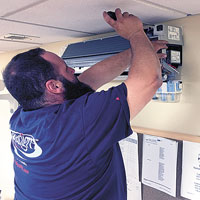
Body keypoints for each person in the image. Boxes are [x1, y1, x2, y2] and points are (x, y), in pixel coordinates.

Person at [3, 8, 167, 200]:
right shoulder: (76, 123)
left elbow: (86, 81)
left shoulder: (24, 115)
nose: (73, 70)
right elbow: (149, 79)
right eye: (66, 68)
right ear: (54, 86)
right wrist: (136, 33)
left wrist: (139, 50)